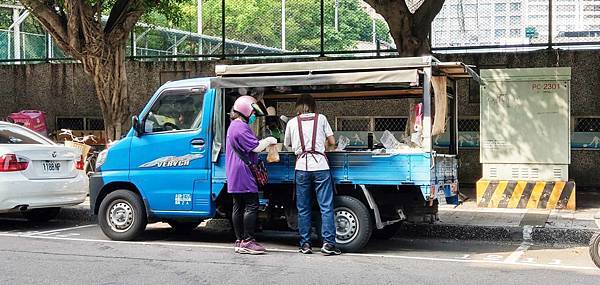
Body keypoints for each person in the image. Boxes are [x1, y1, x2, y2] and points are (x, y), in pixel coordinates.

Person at [284, 94, 341, 255]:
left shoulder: (292, 122)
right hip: (321, 167)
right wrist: (323, 146)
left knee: (303, 208)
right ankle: (328, 244)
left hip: (301, 167)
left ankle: (305, 244)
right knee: (326, 206)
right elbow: (332, 141)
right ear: (313, 105)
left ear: (297, 107)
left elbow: (287, 144)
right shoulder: (321, 118)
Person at [226, 95, 277, 255]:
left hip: (234, 170)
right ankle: (248, 241)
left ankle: (239, 240)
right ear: (245, 110)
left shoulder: (233, 126)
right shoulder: (240, 127)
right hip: (243, 171)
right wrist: (269, 140)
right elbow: (255, 148)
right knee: (251, 204)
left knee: (238, 206)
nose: (254, 116)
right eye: (253, 112)